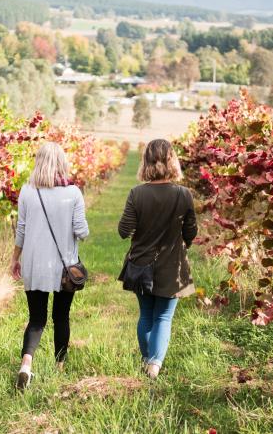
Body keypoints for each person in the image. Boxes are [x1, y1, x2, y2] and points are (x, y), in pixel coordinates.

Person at [10, 142, 89, 389]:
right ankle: (60, 366)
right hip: (64, 267)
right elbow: (81, 231)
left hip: (34, 265)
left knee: (36, 319)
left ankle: (26, 364)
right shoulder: (73, 193)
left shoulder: (27, 191)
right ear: (61, 163)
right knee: (61, 316)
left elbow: (21, 230)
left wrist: (15, 259)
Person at [118, 139, 197, 379]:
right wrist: (183, 243)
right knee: (163, 316)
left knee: (146, 315)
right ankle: (154, 364)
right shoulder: (183, 194)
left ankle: (147, 359)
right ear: (172, 161)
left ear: (146, 162)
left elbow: (124, 230)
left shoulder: (137, 193)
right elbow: (191, 231)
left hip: (141, 263)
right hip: (172, 266)